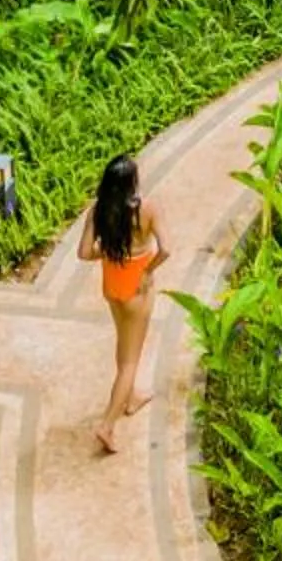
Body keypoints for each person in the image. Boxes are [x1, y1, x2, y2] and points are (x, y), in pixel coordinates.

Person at [77, 153, 168, 455]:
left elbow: (84, 253)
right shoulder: (148, 209)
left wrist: (108, 254)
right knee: (131, 360)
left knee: (123, 343)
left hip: (112, 286)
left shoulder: (98, 211)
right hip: (136, 288)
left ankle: (130, 397)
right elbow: (167, 250)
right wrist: (146, 270)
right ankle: (107, 424)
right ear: (132, 182)